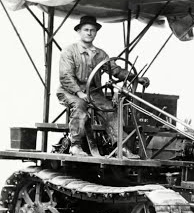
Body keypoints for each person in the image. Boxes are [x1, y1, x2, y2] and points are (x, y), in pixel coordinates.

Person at [57, 15, 150, 157]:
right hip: (69, 91)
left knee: (110, 110)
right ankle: (75, 146)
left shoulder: (101, 54)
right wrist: (79, 92)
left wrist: (135, 77)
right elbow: (65, 77)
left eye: (92, 30)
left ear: (96, 33)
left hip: (92, 93)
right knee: (80, 105)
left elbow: (116, 71)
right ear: (79, 32)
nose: (89, 33)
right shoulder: (69, 51)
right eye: (86, 30)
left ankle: (121, 148)